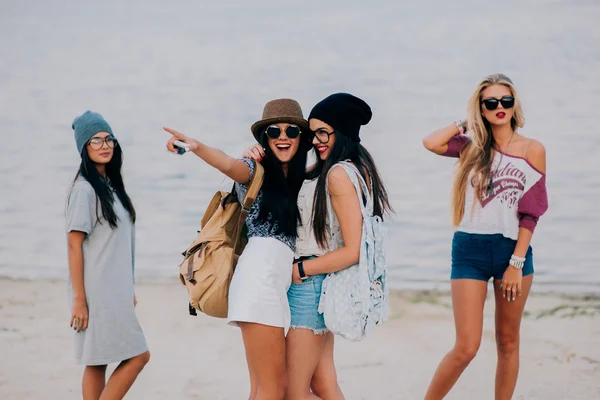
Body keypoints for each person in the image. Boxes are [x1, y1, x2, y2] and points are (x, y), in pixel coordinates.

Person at [245, 93, 393, 399]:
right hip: (322, 287)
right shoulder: (355, 169)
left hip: (309, 287)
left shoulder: (338, 175)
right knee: (323, 383)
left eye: (323, 133)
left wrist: (299, 269)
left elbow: (353, 250)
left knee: (294, 392)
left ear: (343, 133)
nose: (316, 141)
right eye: (313, 134)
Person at [164, 99, 311, 400]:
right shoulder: (254, 169)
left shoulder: (301, 180)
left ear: (301, 137)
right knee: (273, 389)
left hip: (272, 283)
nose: (282, 137)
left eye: (291, 131)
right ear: (264, 138)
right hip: (258, 282)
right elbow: (226, 163)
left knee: (263, 389)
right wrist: (196, 146)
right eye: (274, 131)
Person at [422, 74, 548, 400]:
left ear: (514, 103)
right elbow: (431, 142)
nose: (499, 107)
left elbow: (531, 212)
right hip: (469, 250)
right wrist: (466, 122)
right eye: (490, 102)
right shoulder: (470, 147)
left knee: (508, 341)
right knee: (466, 347)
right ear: (481, 107)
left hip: (513, 251)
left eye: (505, 100)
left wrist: (516, 263)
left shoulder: (533, 149)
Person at [66, 111, 150, 400]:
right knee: (139, 355)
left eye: (108, 139)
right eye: (95, 140)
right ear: (84, 149)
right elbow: (74, 245)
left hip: (115, 291)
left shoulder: (112, 188)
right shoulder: (84, 190)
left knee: (98, 360)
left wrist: (129, 288)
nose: (104, 145)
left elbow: (117, 246)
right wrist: (79, 299)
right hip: (96, 292)